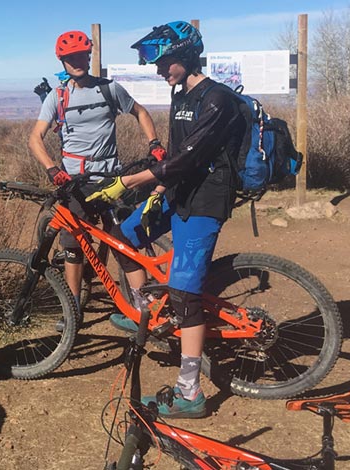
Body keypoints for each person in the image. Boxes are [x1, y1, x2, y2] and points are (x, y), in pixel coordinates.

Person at [86, 21, 247, 419]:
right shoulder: (181, 95)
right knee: (123, 237)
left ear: (187, 57)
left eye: (165, 63)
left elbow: (188, 159)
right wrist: (157, 194)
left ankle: (190, 392)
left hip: (205, 202)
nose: (159, 71)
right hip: (176, 194)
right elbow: (175, 157)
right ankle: (145, 313)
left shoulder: (218, 100)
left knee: (185, 296)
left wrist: (128, 182)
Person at [28, 30, 164, 330]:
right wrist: (52, 168)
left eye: (81, 56)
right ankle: (73, 308)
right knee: (72, 245)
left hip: (110, 179)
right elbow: (35, 138)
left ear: (88, 57)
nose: (77, 62)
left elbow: (140, 112)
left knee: (123, 243)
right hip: (74, 182)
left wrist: (154, 143)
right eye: (70, 58)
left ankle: (145, 311)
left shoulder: (109, 89)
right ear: (62, 61)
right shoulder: (59, 95)